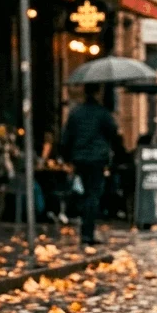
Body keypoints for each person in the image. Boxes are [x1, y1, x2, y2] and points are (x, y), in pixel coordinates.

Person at [60, 83, 122, 245]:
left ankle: (85, 230)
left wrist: (67, 158)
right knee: (93, 195)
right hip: (96, 159)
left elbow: (66, 137)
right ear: (97, 93)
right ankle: (87, 233)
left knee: (86, 193)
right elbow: (114, 134)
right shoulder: (102, 113)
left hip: (80, 158)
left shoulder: (76, 113)